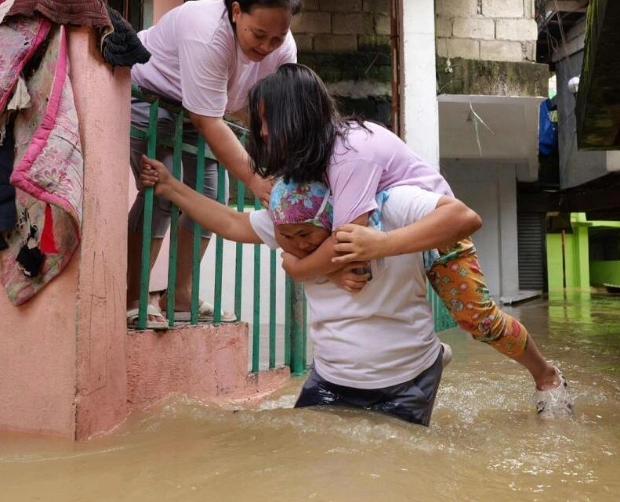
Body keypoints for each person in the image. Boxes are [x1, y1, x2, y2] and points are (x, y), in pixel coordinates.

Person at [245, 63, 574, 418]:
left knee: (479, 320)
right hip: (381, 235)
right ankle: (427, 359)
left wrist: (296, 267)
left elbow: (345, 243)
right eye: (260, 122)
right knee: (357, 286)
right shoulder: (313, 158)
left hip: (435, 233)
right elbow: (343, 249)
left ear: (298, 117)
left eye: (270, 121)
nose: (263, 132)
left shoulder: (350, 149)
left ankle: (547, 375)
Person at [140, 154, 483, 425]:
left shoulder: (389, 205)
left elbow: (466, 218)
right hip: (333, 378)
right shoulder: (291, 221)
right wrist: (171, 186)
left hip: (406, 377)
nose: (295, 244)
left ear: (333, 221)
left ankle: (434, 358)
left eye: (305, 236)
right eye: (285, 237)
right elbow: (232, 222)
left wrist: (382, 244)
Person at [127, 0, 301, 329]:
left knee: (209, 195)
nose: (267, 46)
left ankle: (179, 295)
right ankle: (135, 299)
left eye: (277, 37)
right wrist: (256, 181)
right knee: (160, 191)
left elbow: (278, 112)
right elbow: (208, 119)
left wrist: (283, 170)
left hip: (201, 115)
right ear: (236, 11)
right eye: (259, 34)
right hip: (151, 102)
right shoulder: (205, 32)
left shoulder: (283, 46)